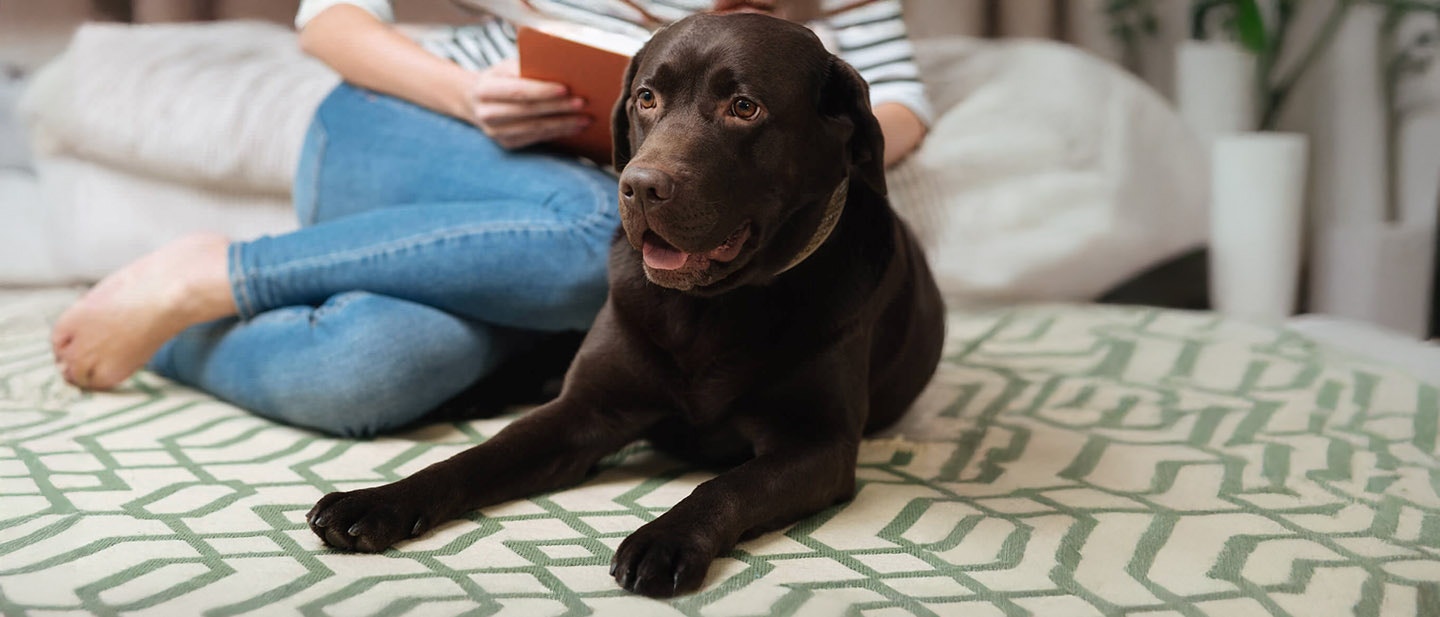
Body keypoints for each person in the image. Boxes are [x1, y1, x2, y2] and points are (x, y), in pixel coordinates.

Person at [49, 0, 933, 438]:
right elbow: (329, 20)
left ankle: (162, 328)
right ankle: (225, 270)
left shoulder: (814, 39)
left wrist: (802, 162)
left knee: (377, 370)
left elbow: (895, 105)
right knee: (598, 237)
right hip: (409, 132)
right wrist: (466, 95)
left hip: (618, 233)